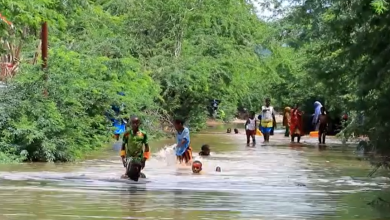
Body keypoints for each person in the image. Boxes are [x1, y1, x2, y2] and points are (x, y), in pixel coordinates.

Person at [120, 116, 150, 181]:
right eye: (133, 123)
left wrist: (144, 160)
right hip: (129, 157)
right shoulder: (127, 134)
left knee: (137, 175)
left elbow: (147, 147)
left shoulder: (143, 134)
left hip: (139, 157)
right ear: (130, 123)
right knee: (127, 174)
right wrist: (123, 158)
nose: (135, 125)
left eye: (136, 123)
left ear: (139, 123)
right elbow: (123, 146)